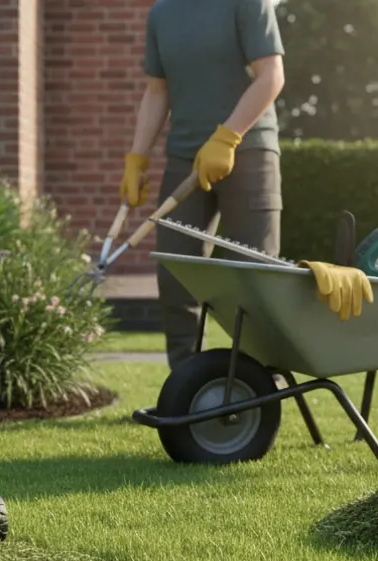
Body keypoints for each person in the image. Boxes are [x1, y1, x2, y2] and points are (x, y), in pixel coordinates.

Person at [121, 0, 287, 370]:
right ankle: (187, 386)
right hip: (185, 159)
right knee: (176, 275)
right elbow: (157, 91)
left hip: (249, 152)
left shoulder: (247, 4)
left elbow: (271, 75)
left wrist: (228, 137)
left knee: (254, 276)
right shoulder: (162, 13)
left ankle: (257, 388)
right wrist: (137, 158)